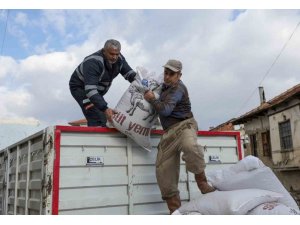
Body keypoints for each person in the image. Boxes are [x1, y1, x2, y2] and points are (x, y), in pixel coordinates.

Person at [144, 59, 215, 214]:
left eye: (172, 74)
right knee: (163, 172)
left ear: (179, 75)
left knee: (191, 147)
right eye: (166, 73)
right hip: (168, 133)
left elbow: (165, 111)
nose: (167, 76)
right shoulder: (163, 87)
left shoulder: (178, 89)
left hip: (185, 126)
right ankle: (175, 213)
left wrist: (151, 99)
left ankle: (202, 182)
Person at [69, 39, 136, 126]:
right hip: (81, 88)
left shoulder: (120, 59)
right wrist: (105, 108)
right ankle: (95, 137)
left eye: (117, 54)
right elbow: (90, 90)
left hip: (97, 90)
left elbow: (130, 75)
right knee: (97, 116)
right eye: (111, 54)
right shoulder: (93, 62)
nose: (114, 57)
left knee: (104, 116)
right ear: (104, 51)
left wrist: (144, 85)